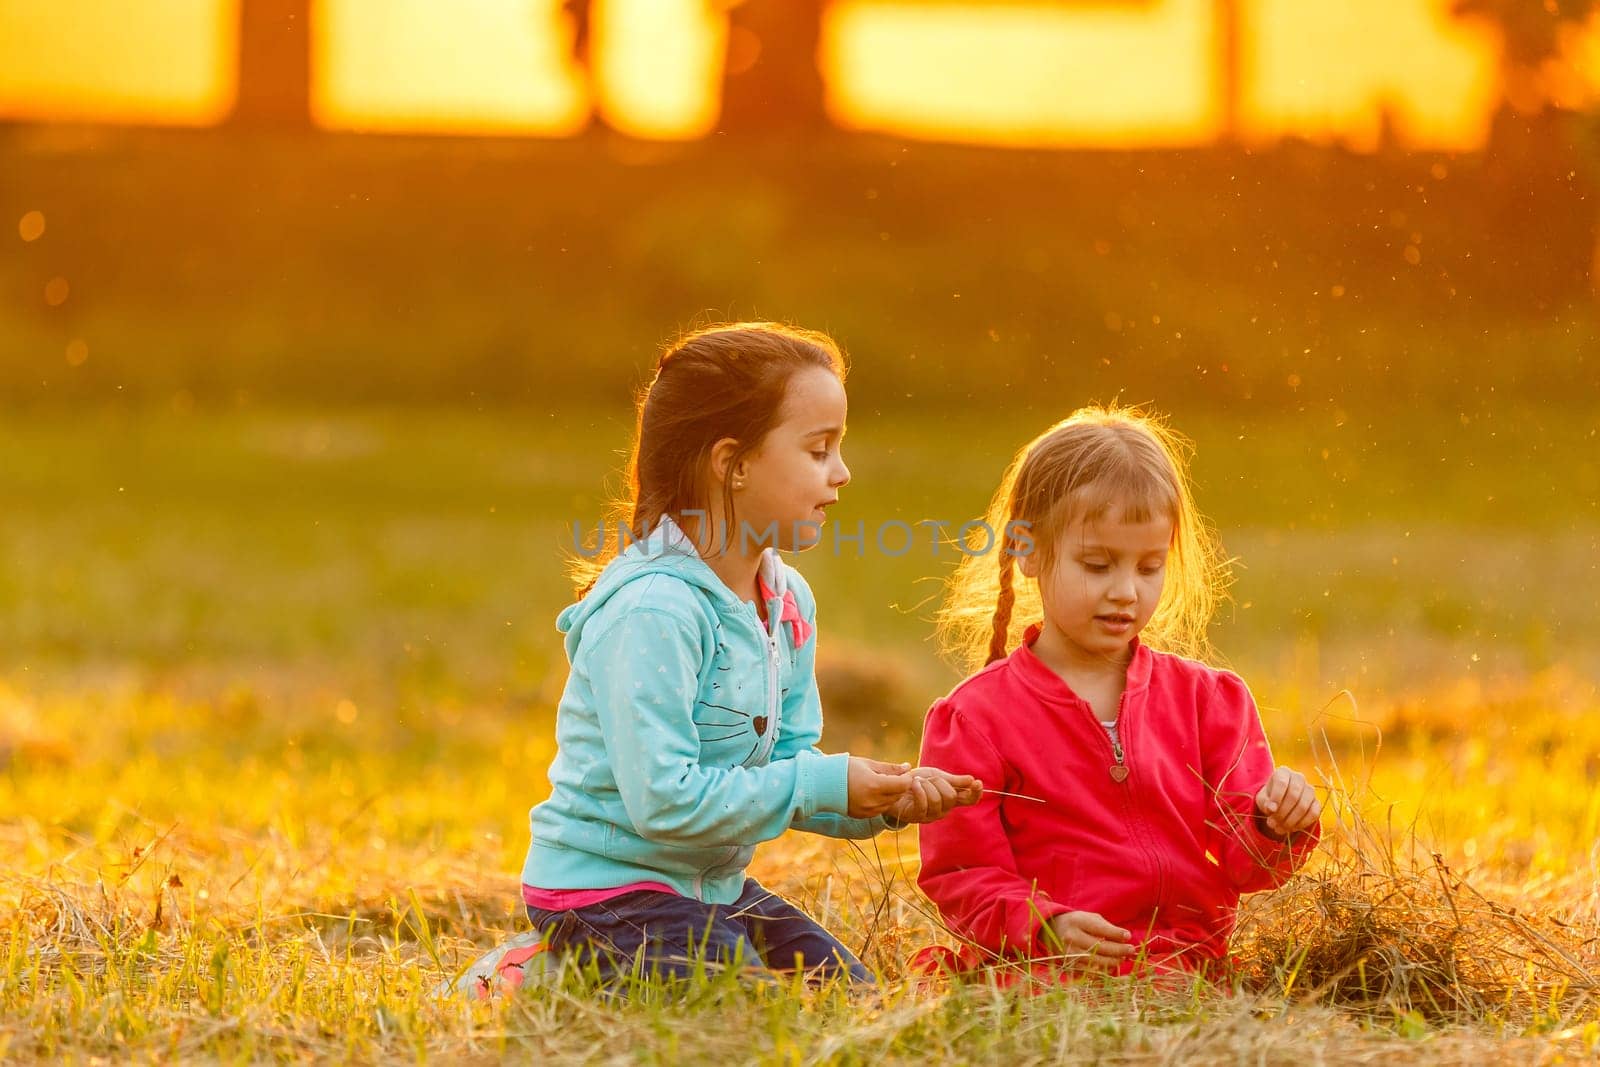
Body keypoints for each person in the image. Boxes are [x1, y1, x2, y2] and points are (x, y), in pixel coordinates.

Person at [522, 322, 979, 987]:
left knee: (847, 992)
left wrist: (880, 798)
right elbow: (663, 801)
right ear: (732, 463)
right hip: (605, 893)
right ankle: (528, 972)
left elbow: (788, 771)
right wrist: (825, 782)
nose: (843, 472)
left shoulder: (786, 599)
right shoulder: (656, 609)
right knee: (746, 1007)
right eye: (819, 449)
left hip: (710, 887)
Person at [916, 405, 1321, 979]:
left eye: (1150, 566)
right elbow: (961, 874)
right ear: (1027, 550)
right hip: (1043, 973)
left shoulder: (1209, 701)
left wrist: (1276, 822)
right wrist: (1043, 923)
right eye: (1098, 563)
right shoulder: (976, 718)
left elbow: (1250, 866)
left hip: (1187, 970)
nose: (1126, 591)